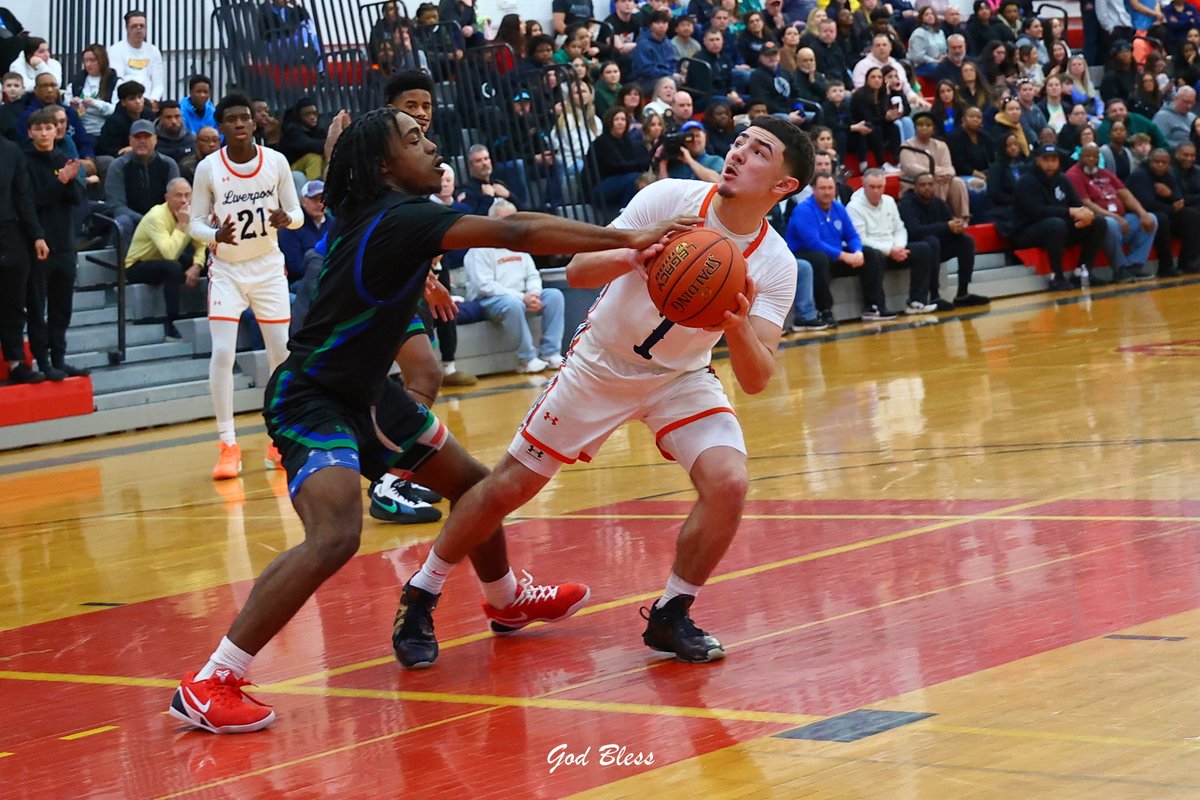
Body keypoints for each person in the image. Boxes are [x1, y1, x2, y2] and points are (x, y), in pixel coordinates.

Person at [168, 107, 694, 732]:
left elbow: (361, 183)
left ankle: (506, 600)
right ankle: (214, 678)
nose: (432, 143)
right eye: (414, 140)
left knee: (477, 490)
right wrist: (627, 238)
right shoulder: (403, 216)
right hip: (312, 398)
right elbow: (518, 231)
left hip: (369, 393)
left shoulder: (373, 210)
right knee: (335, 535)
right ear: (385, 167)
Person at [389, 117, 813, 672]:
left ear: (783, 185)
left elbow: (757, 377)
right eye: (739, 142)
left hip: (680, 377)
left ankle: (671, 612)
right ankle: (422, 593)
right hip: (601, 365)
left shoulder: (776, 263)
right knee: (507, 487)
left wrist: (734, 322)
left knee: (729, 482)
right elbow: (579, 270)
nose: (738, 154)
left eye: (759, 152)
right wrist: (634, 253)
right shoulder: (669, 198)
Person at [189, 93, 303, 481]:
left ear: (254, 123)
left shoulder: (276, 162)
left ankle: (279, 439)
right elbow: (194, 224)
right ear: (221, 126)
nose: (239, 123)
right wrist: (214, 234)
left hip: (269, 267)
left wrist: (288, 218)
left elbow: (300, 214)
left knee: (281, 355)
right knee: (223, 351)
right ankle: (227, 443)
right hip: (228, 270)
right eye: (231, 119)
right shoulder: (208, 168)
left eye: (245, 117)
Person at [462, 199, 566, 374]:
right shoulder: (479, 248)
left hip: (521, 297)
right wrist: (522, 297)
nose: (514, 224)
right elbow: (485, 286)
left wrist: (534, 293)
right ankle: (527, 358)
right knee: (512, 303)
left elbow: (533, 274)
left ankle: (551, 353)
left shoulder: (520, 245)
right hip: (488, 302)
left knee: (554, 295)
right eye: (508, 219)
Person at [23, 107, 86, 381]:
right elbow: (30, 202)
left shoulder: (64, 157)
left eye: (49, 128)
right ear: (30, 132)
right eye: (39, 129)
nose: (44, 133)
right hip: (37, 244)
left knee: (62, 307)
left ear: (57, 130)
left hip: (64, 243)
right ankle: (43, 362)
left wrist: (70, 181)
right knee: (38, 307)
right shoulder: (24, 161)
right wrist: (60, 182)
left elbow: (77, 199)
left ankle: (59, 359)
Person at [786, 172, 896, 324]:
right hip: (806, 255)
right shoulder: (803, 210)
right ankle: (825, 311)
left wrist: (857, 251)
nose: (827, 192)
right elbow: (814, 243)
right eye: (822, 188)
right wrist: (844, 256)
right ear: (814, 190)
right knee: (819, 259)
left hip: (834, 256)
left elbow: (852, 235)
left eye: (830, 188)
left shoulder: (838, 208)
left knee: (871, 253)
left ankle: (873, 306)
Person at [1002, 143, 1107, 290]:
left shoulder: (1062, 179)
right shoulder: (1026, 181)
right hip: (1026, 231)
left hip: (1058, 229)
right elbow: (1037, 211)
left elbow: (1076, 203)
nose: (1050, 164)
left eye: (1054, 160)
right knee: (1056, 224)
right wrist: (1070, 212)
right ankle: (1057, 277)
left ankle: (1082, 272)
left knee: (1098, 222)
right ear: (1038, 160)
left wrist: (1086, 214)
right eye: (1046, 160)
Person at [847, 169, 939, 315]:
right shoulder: (853, 207)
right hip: (873, 252)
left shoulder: (889, 201)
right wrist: (890, 250)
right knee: (873, 255)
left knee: (924, 249)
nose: (876, 191)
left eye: (880, 187)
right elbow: (861, 239)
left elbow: (900, 228)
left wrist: (899, 247)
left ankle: (917, 301)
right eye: (872, 187)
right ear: (863, 186)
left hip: (894, 249)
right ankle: (876, 307)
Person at [125, 177, 207, 339]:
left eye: (187, 195)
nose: (184, 200)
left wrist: (197, 266)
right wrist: (182, 224)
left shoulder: (193, 213)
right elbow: (169, 253)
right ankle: (172, 321)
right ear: (167, 198)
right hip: (138, 265)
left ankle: (214, 313)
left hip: (166, 261)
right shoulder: (156, 216)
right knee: (173, 267)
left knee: (210, 261)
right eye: (178, 196)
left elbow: (202, 245)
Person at [1065, 142, 1158, 282]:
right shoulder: (1073, 175)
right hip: (1099, 222)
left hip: (1121, 218)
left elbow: (1126, 195)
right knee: (1109, 223)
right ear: (1080, 156)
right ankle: (1120, 269)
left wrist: (1142, 213)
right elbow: (1086, 203)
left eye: (1094, 156)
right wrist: (1114, 217)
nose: (1091, 160)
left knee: (1151, 219)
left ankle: (1133, 266)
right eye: (1087, 156)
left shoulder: (1105, 173)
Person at [898, 172, 990, 308]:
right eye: (923, 185)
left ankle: (962, 293)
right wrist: (946, 226)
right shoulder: (906, 204)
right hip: (914, 249)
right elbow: (914, 231)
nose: (927, 188)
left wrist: (956, 226)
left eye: (930, 184)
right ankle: (934, 295)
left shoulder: (938, 203)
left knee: (966, 241)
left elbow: (948, 224)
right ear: (915, 188)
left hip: (936, 248)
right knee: (931, 241)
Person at [0, 134, 47, 384]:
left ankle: (16, 363)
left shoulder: (11, 150)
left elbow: (23, 196)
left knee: (14, 304)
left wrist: (37, 235)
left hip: (9, 233)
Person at [1126, 148, 1200, 276]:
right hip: (1142, 215)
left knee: (1191, 215)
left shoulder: (1169, 174)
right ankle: (1165, 266)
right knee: (1161, 218)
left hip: (1165, 211)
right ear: (1150, 161)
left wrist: (1169, 194)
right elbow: (1147, 204)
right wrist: (1171, 208)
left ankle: (1187, 262)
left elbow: (1179, 199)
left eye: (1164, 163)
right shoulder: (1140, 175)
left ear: (1168, 163)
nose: (1160, 165)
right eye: (1157, 162)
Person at [105, 118, 180, 244]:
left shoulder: (169, 164)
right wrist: (146, 220)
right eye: (137, 137)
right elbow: (116, 206)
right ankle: (127, 263)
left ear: (155, 140)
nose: (142, 141)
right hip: (133, 221)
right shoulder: (118, 166)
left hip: (163, 221)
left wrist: (160, 220)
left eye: (147, 137)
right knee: (123, 221)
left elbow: (176, 200)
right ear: (130, 140)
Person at [900, 110, 971, 219]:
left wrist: (941, 173)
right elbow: (911, 168)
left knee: (958, 182)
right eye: (920, 125)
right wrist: (935, 173)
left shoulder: (941, 145)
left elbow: (950, 169)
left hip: (941, 181)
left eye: (928, 125)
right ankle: (940, 217)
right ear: (915, 128)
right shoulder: (907, 146)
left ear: (933, 128)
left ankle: (962, 219)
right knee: (932, 181)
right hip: (914, 184)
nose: (924, 128)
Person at [108, 10, 165, 107]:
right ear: (127, 28)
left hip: (148, 102)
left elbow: (158, 83)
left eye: (142, 26)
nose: (139, 29)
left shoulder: (154, 51)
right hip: (125, 102)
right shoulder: (115, 50)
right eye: (134, 26)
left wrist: (154, 99)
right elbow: (118, 81)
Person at [279, 179, 331, 284]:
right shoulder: (290, 227)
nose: (320, 204)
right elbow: (297, 268)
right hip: (299, 283)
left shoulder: (333, 223)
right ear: (303, 201)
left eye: (324, 199)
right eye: (315, 199)